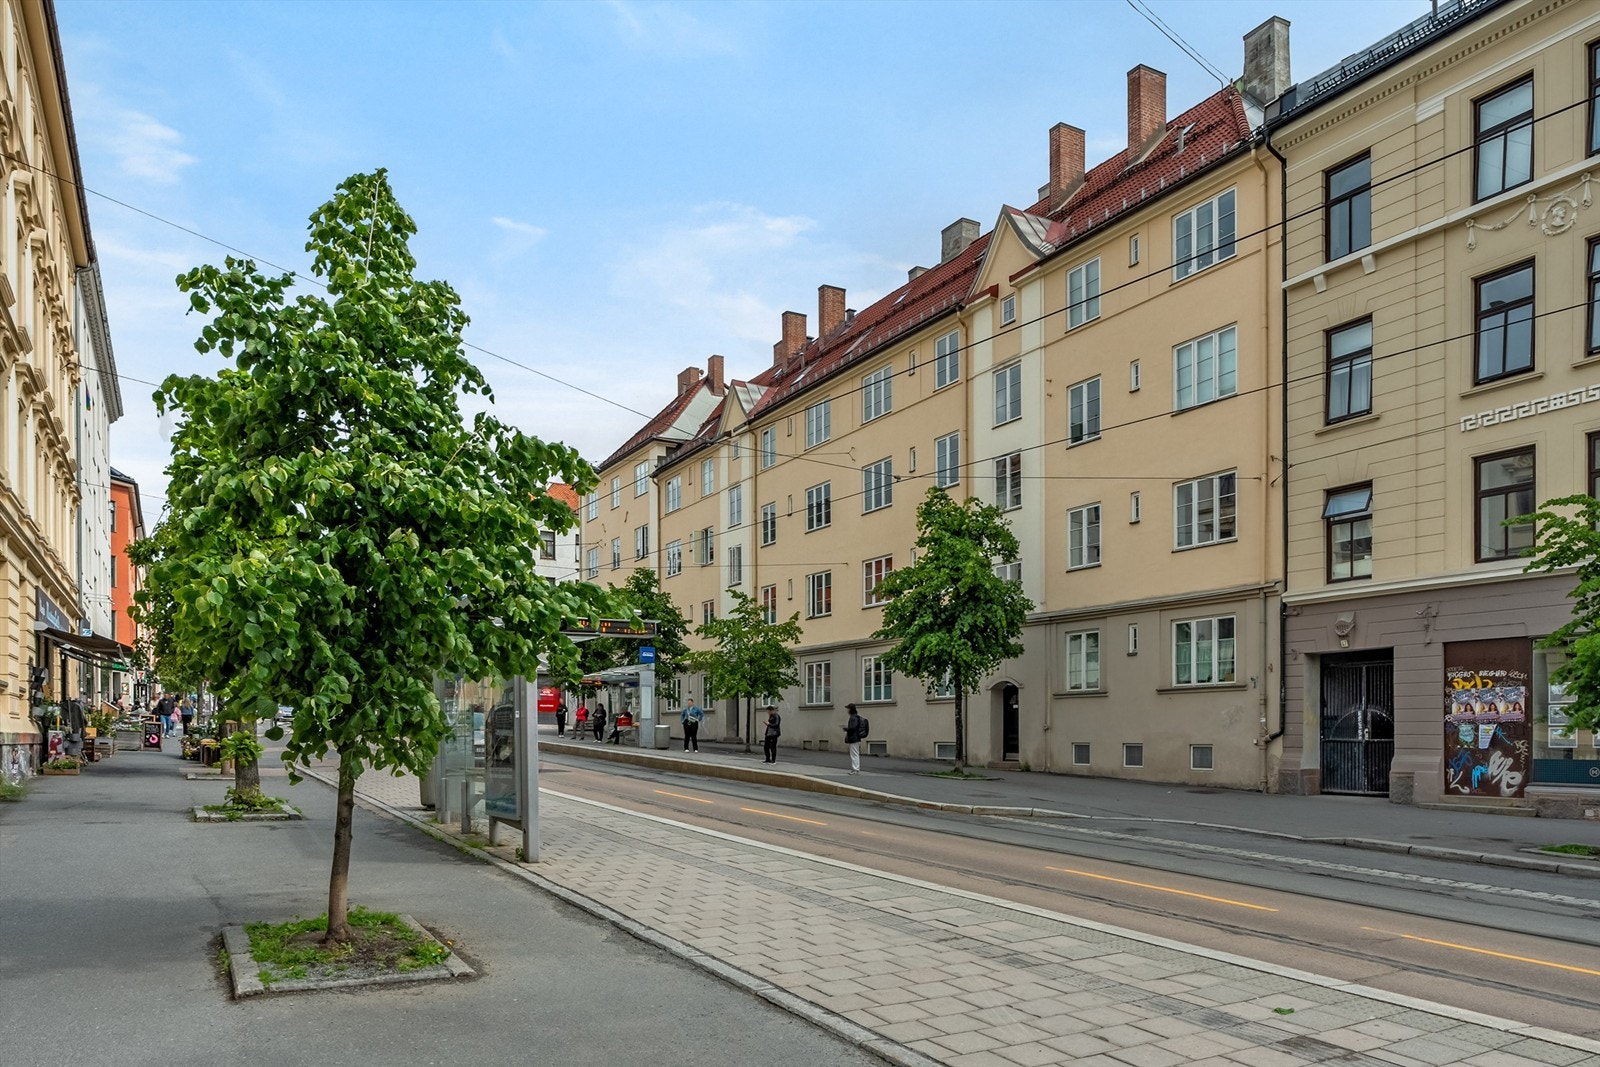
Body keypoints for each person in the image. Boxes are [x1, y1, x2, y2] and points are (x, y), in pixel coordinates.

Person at [843, 703, 863, 774]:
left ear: (850, 709)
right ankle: (856, 769)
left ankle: (855, 769)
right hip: (856, 738)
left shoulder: (853, 718)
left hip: (854, 738)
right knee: (855, 754)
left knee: (854, 754)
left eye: (848, 708)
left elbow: (853, 728)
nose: (847, 710)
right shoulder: (856, 717)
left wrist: (847, 729)